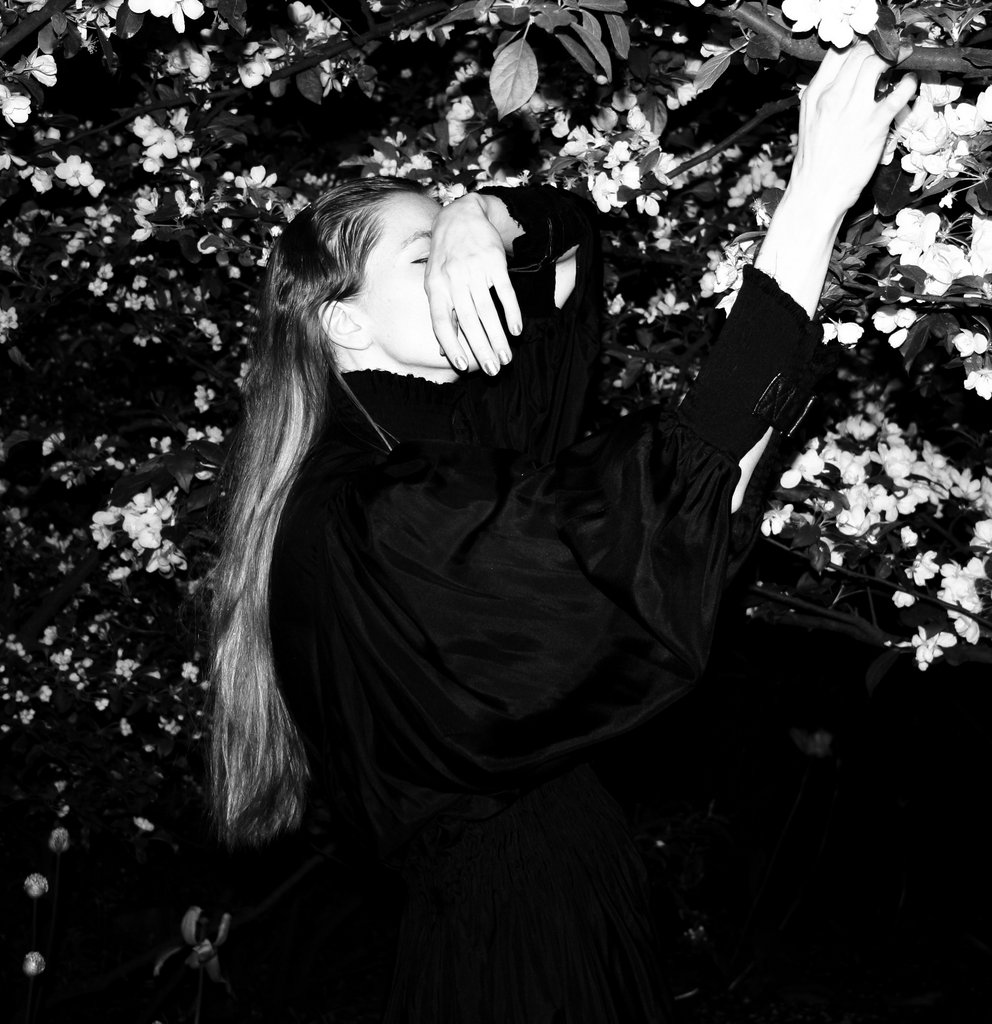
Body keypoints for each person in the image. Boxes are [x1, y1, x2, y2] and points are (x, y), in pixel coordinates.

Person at [207, 43, 916, 1023]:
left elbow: (570, 269)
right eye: (422, 259)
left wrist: (482, 215)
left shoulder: (438, 436)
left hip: (548, 915)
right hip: (520, 946)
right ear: (346, 326)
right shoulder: (376, 506)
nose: (463, 272)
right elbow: (676, 504)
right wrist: (810, 208)